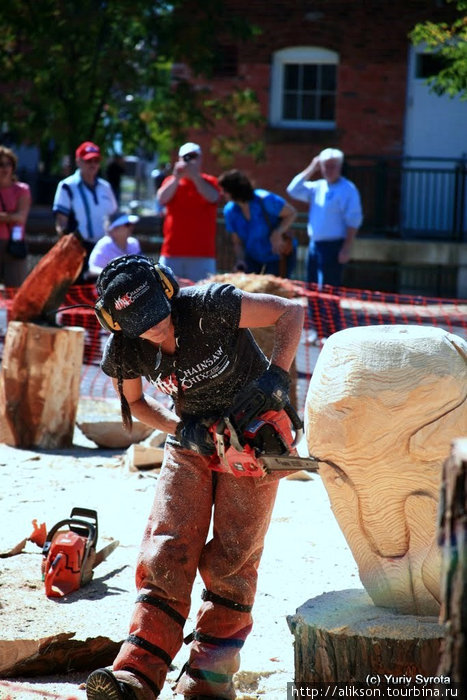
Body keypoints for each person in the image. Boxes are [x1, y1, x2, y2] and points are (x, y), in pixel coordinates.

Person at [85, 254, 304, 700]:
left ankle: (209, 675)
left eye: (158, 318)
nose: (155, 330)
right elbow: (139, 405)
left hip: (253, 433)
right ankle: (138, 673)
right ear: (118, 323)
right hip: (192, 437)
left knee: (234, 557)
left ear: (168, 291)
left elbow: (292, 311)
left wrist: (276, 377)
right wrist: (183, 430)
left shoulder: (209, 305)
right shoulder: (126, 346)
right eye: (141, 325)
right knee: (168, 546)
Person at [286, 148, 363, 288]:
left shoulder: (348, 189)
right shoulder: (318, 186)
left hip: (333, 246)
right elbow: (293, 190)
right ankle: (312, 311)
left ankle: (331, 312)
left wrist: (346, 248)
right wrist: (312, 167)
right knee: (312, 288)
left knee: (328, 290)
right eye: (325, 166)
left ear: (340, 167)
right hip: (314, 244)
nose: (328, 170)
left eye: (332, 166)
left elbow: (353, 221)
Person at [53, 141, 118, 279]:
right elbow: (61, 223)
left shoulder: (105, 187)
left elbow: (114, 217)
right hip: (79, 249)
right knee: (79, 295)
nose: (93, 164)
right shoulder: (67, 186)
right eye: (88, 160)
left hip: (103, 249)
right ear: (79, 161)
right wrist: (68, 247)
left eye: (96, 160)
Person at [156, 143, 220, 281]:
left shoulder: (210, 181)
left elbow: (213, 197)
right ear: (179, 159)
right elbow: (161, 199)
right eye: (186, 157)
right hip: (171, 253)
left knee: (204, 299)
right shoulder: (171, 181)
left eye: (193, 157)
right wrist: (176, 178)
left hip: (203, 255)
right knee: (167, 296)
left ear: (201, 159)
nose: (190, 160)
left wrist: (195, 177)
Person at [218, 169, 297, 278]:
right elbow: (237, 242)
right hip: (252, 259)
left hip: (277, 257)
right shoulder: (230, 211)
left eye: (225, 190)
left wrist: (277, 232)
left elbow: (291, 213)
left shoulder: (265, 199)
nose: (222, 194)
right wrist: (240, 260)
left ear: (235, 190)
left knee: (273, 292)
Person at [0, 145, 32, 287]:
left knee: (15, 293)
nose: (5, 168)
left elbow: (21, 217)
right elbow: (16, 216)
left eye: (8, 164)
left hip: (14, 246)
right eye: (0, 164)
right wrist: (11, 216)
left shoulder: (22, 189)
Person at [87, 210, 141, 279]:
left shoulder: (134, 243)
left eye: (131, 224)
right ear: (114, 230)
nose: (131, 227)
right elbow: (91, 270)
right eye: (127, 224)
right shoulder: (104, 244)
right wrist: (114, 274)